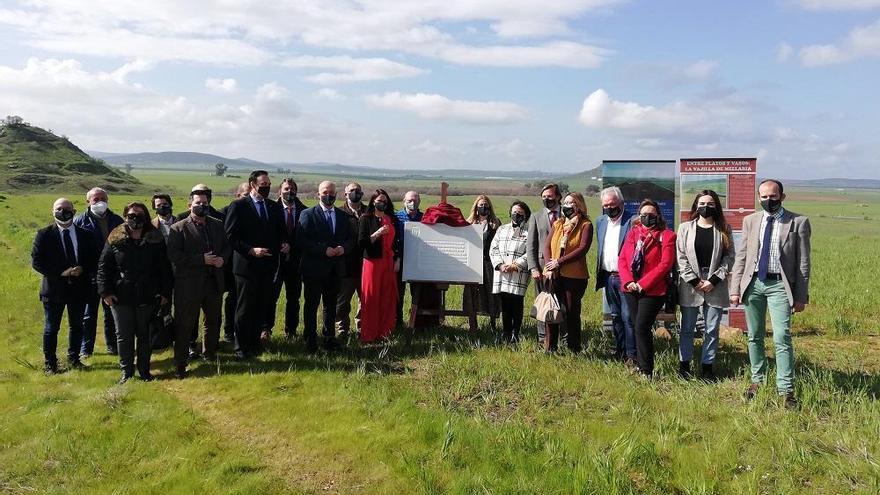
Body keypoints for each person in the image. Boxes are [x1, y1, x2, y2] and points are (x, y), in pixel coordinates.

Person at [730, 179, 811, 409]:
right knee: (754, 335)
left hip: (779, 286)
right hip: (754, 283)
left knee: (781, 337)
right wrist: (735, 289)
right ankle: (758, 380)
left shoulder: (798, 222)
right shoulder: (751, 220)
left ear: (782, 197)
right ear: (758, 198)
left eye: (773, 196)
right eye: (764, 197)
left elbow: (803, 263)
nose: (768, 201)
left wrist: (801, 296)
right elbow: (742, 256)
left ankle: (786, 389)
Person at [97, 202, 173, 383]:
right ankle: (126, 371)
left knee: (145, 335)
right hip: (121, 295)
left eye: (139, 215)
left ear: (146, 217)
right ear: (125, 217)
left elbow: (164, 268)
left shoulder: (155, 238)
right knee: (123, 336)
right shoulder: (115, 237)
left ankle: (145, 371)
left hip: (148, 295)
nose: (135, 218)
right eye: (131, 215)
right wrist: (105, 292)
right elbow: (103, 267)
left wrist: (164, 293)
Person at [224, 170, 288, 359]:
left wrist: (284, 243)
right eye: (263, 184)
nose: (266, 187)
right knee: (244, 308)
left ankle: (255, 343)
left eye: (269, 184)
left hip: (268, 265)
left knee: (261, 306)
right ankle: (240, 348)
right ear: (252, 184)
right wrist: (251, 250)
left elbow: (280, 230)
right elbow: (230, 236)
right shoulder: (239, 206)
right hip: (246, 266)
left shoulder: (273, 207)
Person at [166, 192, 231, 378]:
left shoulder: (217, 225)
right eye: (197, 202)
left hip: (213, 282)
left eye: (205, 202)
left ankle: (209, 354)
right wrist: (201, 260)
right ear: (189, 205)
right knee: (184, 324)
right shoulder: (178, 228)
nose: (201, 205)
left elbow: (227, 247)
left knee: (212, 321)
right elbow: (174, 256)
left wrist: (222, 259)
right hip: (188, 285)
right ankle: (181, 363)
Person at [32, 198, 99, 374]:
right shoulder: (44, 234)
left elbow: (94, 260)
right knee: (51, 328)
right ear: (53, 211)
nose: (63, 212)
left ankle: (74, 359)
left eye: (67, 208)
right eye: (59, 209)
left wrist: (83, 269)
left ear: (74, 211)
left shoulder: (86, 234)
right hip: (54, 290)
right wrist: (62, 272)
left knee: (77, 325)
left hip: (79, 289)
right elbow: (37, 262)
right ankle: (50, 364)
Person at [676, 190, 736, 380]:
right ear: (696, 206)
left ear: (716, 206)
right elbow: (681, 257)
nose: (706, 207)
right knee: (687, 328)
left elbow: (729, 257)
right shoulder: (685, 228)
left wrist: (714, 280)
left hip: (715, 284)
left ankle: (707, 367)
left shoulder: (724, 228)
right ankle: (684, 366)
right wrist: (694, 280)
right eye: (702, 203)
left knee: (711, 329)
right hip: (690, 283)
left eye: (710, 204)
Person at [618, 199, 676, 378]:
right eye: (643, 215)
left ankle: (646, 370)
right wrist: (628, 282)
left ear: (658, 216)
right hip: (631, 288)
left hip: (653, 290)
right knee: (637, 326)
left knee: (642, 326)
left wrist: (643, 283)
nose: (647, 218)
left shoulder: (667, 235)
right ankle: (640, 364)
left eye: (651, 215)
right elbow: (622, 259)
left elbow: (665, 264)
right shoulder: (634, 234)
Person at [297, 181, 354, 352]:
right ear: (318, 194)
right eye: (325, 192)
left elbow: (351, 239)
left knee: (331, 306)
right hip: (313, 269)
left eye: (331, 192)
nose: (328, 195)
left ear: (336, 194)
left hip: (335, 269)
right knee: (311, 305)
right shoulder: (308, 214)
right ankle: (310, 339)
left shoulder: (343, 216)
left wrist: (343, 248)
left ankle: (329, 338)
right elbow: (301, 240)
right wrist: (323, 250)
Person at [74, 187, 123, 357]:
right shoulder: (79, 221)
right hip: (89, 274)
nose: (100, 202)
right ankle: (85, 349)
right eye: (96, 199)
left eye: (103, 198)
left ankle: (112, 346)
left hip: (111, 273)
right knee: (88, 314)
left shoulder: (117, 220)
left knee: (111, 312)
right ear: (88, 201)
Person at [542, 192, 593, 353]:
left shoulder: (585, 225)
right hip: (554, 275)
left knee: (571, 312)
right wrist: (550, 265)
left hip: (575, 277)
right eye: (566, 202)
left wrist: (559, 262)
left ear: (579, 206)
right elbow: (547, 246)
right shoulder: (558, 223)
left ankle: (573, 347)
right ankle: (550, 347)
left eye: (571, 203)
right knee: (552, 311)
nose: (567, 205)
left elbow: (582, 248)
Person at [594, 186, 636, 363]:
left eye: (612, 204)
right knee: (616, 316)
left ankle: (632, 355)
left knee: (628, 317)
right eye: (606, 205)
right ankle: (619, 351)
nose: (609, 208)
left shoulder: (632, 221)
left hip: (626, 278)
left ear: (621, 203)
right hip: (608, 276)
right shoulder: (601, 221)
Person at [358, 189, 401, 343]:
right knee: (371, 298)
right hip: (372, 263)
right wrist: (377, 234)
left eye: (384, 201)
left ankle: (385, 332)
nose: (381, 203)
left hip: (388, 262)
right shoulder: (366, 218)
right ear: (373, 201)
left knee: (387, 298)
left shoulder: (392, 219)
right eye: (379, 201)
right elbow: (361, 242)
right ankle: (369, 334)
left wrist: (397, 259)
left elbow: (398, 242)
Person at [489, 201, 531, 344]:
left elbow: (530, 252)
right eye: (514, 212)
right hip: (502, 272)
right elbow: (493, 248)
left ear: (525, 215)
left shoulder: (529, 231)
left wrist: (515, 265)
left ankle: (516, 333)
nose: (516, 214)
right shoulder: (502, 229)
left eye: (519, 213)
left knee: (517, 303)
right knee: (505, 304)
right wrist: (500, 265)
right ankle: (505, 333)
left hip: (518, 273)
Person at [270, 178, 307, 340]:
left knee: (294, 299)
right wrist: (279, 244)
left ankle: (291, 331)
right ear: (280, 191)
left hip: (296, 262)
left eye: (292, 189)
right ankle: (266, 329)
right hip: (274, 261)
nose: (289, 192)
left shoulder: (304, 211)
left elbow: (306, 236)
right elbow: (266, 232)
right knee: (271, 297)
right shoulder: (271, 209)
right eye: (286, 189)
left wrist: (291, 246)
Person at [526, 183, 562, 345]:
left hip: (564, 267)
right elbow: (530, 245)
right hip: (541, 268)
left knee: (562, 304)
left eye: (550, 196)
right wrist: (533, 267)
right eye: (544, 197)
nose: (547, 199)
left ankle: (562, 337)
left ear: (558, 197)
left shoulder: (567, 214)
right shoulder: (535, 216)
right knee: (543, 303)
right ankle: (543, 339)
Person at [464, 195, 501, 329]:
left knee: (491, 292)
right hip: (473, 262)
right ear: (476, 207)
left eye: (485, 205)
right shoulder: (469, 223)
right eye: (480, 205)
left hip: (489, 263)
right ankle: (472, 323)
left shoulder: (496, 223)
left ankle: (493, 324)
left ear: (489, 207)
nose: (483, 207)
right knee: (473, 292)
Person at [220, 182, 250, 343]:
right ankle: (228, 331)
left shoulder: (253, 212)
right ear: (238, 196)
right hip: (230, 262)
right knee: (232, 298)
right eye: (246, 195)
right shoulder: (224, 212)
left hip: (246, 263)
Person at [336, 182, 366, 339]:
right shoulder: (339, 213)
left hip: (366, 265)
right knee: (342, 302)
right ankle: (342, 329)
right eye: (352, 191)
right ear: (345, 194)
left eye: (358, 190)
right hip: (345, 264)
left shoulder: (369, 212)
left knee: (366, 300)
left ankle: (362, 327)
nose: (356, 193)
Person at [394, 190, 422, 324]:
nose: (412, 203)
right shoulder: (396, 217)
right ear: (404, 201)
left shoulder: (424, 218)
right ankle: (397, 321)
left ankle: (416, 322)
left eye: (415, 200)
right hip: (399, 260)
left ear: (419, 202)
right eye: (410, 200)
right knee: (398, 293)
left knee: (417, 293)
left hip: (418, 261)